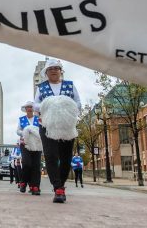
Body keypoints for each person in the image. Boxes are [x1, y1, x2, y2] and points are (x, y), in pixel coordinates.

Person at [34, 59, 82, 203]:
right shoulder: (41, 87)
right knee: (51, 155)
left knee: (66, 157)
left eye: (57, 68)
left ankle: (61, 182)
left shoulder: (70, 85)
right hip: (47, 126)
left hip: (66, 126)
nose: (54, 70)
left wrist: (65, 106)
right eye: (51, 69)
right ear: (46, 72)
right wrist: (50, 105)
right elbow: (36, 104)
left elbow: (78, 103)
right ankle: (58, 188)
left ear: (61, 71)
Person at [17, 101, 42, 195]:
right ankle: (23, 182)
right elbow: (18, 131)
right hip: (25, 143)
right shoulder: (21, 119)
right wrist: (26, 131)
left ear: (33, 108)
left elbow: (42, 130)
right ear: (25, 109)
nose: (29, 109)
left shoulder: (38, 119)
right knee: (27, 163)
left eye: (31, 107)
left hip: (36, 144)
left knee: (36, 165)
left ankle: (35, 186)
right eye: (27, 107)